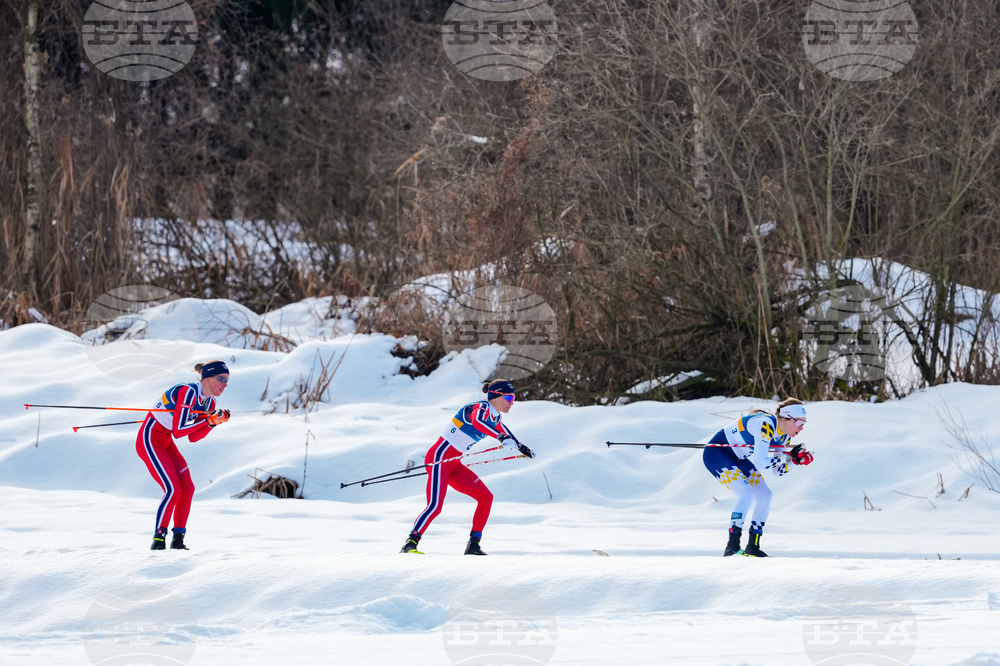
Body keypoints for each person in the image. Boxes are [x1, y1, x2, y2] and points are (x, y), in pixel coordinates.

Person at [400, 379, 535, 556]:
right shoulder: (480, 408)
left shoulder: (495, 416)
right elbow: (478, 422)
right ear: (495, 395)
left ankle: (473, 546)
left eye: (514, 397)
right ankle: (410, 543)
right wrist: (501, 438)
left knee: (486, 497)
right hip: (439, 458)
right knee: (435, 505)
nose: (512, 401)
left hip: (455, 464)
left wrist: (521, 447)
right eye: (508, 396)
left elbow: (502, 429)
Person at [136, 360, 231, 551]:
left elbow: (193, 437)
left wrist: (212, 423)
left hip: (166, 441)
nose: (225, 384)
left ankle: (178, 540)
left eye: (227, 380)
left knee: (187, 488)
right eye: (221, 379)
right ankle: (159, 539)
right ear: (208, 378)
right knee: (173, 489)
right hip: (151, 437)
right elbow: (179, 430)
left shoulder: (210, 402)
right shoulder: (188, 392)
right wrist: (208, 420)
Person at [703, 398, 814, 557]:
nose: (802, 428)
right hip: (717, 454)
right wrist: (788, 456)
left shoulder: (783, 437)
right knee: (746, 493)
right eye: (799, 423)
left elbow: (778, 471)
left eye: (804, 423)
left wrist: (794, 461)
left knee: (765, 495)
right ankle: (732, 548)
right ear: (785, 419)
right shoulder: (765, 425)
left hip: (738, 458)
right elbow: (761, 462)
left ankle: (753, 547)